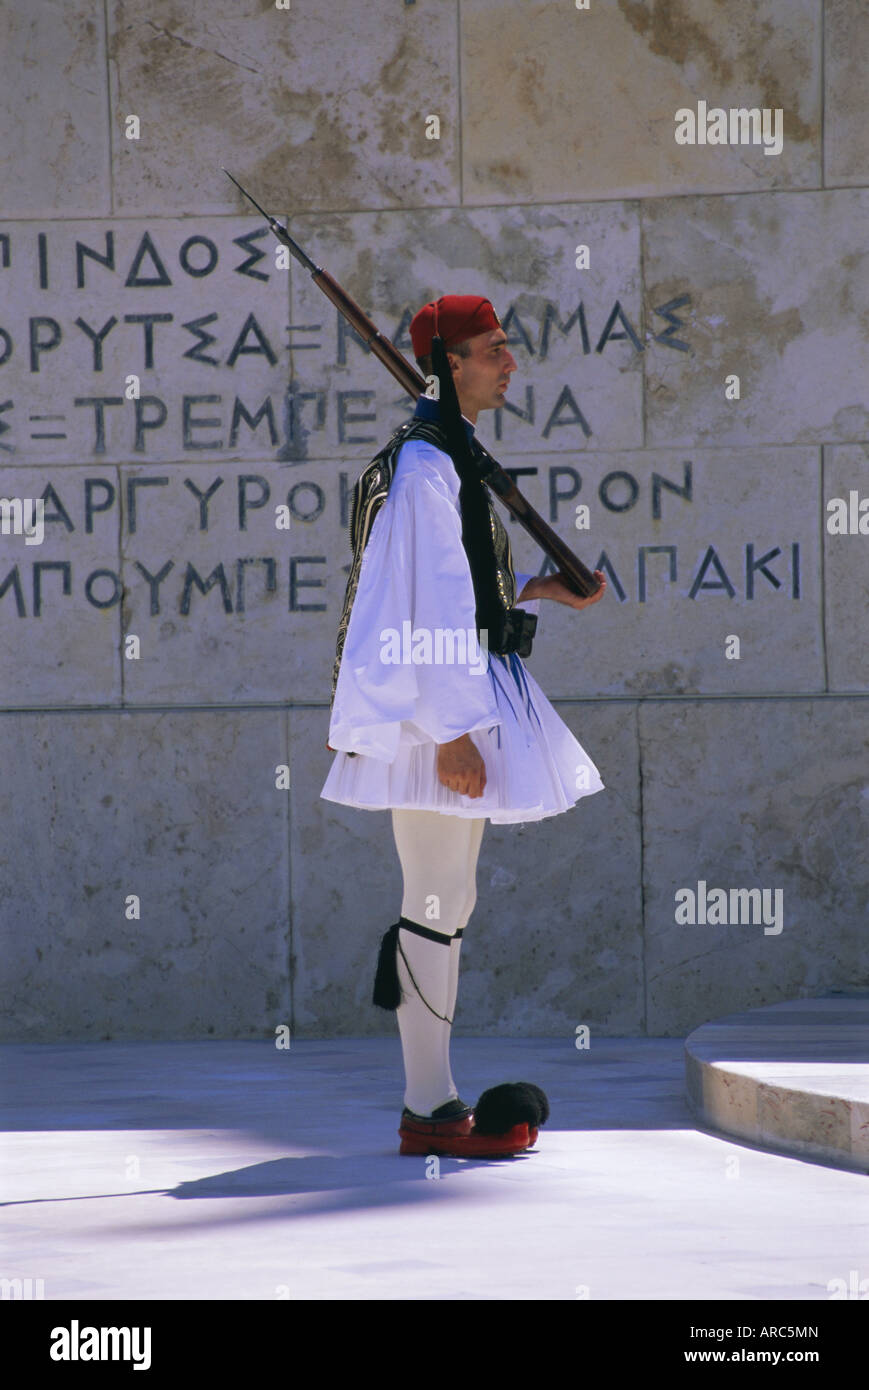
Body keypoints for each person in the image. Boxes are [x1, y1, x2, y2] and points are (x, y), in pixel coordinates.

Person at [321, 294, 606, 1157]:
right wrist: (448, 733)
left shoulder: (443, 456)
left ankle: (431, 1102)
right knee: (435, 895)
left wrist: (533, 593)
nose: (508, 363)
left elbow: (458, 589)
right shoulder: (424, 464)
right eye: (492, 349)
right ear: (449, 363)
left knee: (450, 897)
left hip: (456, 695)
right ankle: (430, 1110)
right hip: (436, 711)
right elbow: (416, 605)